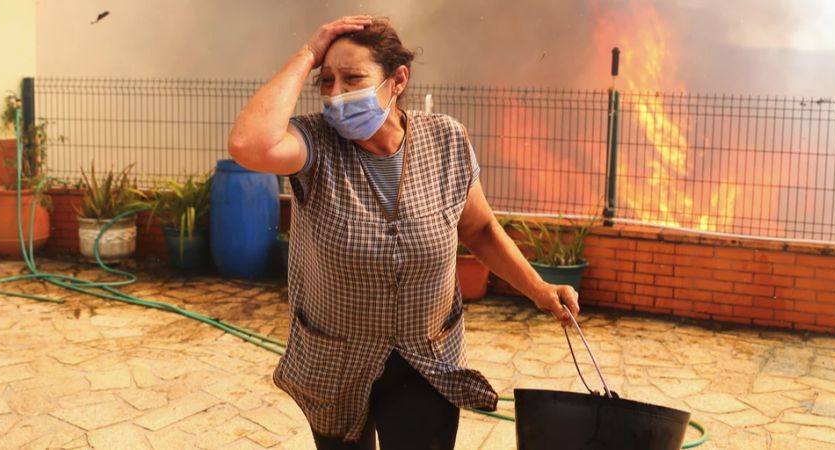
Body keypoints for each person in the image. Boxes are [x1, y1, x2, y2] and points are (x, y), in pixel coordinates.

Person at [227, 15, 581, 450]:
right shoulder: (314, 144)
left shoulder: (446, 140)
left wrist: (539, 289)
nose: (336, 95)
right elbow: (250, 144)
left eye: (352, 79)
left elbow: (481, 229)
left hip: (426, 360)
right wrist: (308, 54)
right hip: (335, 359)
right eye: (327, 81)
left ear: (397, 81)